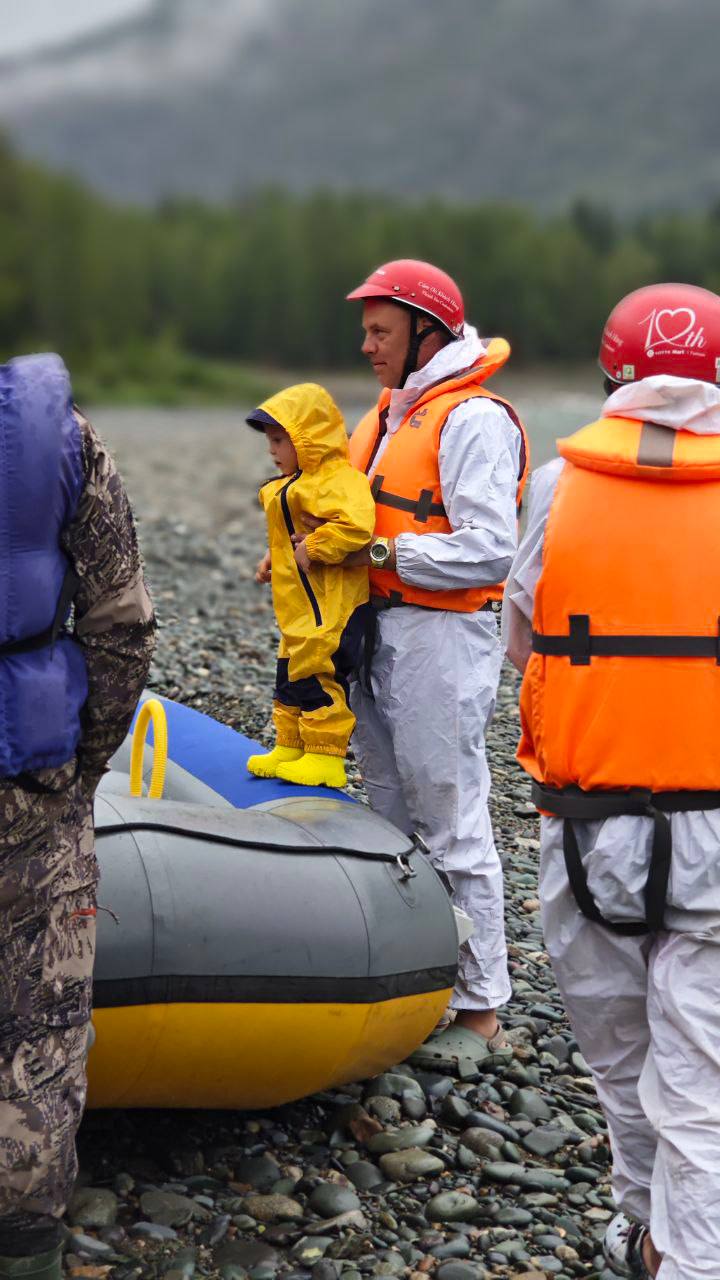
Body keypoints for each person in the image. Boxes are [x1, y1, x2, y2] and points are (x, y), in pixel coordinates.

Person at [503, 282, 720, 1280]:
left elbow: (523, 640)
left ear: (611, 375)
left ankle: (652, 1232)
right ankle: (683, 1253)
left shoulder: (556, 485)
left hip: (589, 828)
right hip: (716, 828)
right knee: (702, 1074)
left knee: (623, 1061)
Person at [345, 259, 529, 1067]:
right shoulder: (391, 413)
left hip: (442, 638)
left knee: (450, 817)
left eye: (380, 331)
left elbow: (492, 549)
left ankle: (481, 1002)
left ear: (427, 332)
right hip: (377, 628)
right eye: (365, 331)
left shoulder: (473, 419)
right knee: (386, 806)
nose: (367, 346)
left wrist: (381, 549)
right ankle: (408, 978)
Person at [0, 354, 155, 1277]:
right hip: (28, 773)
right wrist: (81, 764)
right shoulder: (58, 438)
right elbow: (122, 623)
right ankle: (21, 1231)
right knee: (40, 1020)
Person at [246, 383, 375, 789]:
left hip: (330, 604)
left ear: (309, 439)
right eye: (270, 441)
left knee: (320, 671)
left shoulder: (336, 480)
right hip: (296, 607)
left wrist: (318, 546)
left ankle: (325, 756)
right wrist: (274, 556)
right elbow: (288, 534)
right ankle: (291, 742)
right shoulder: (293, 483)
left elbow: (357, 526)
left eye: (280, 440)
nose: (272, 450)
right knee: (289, 672)